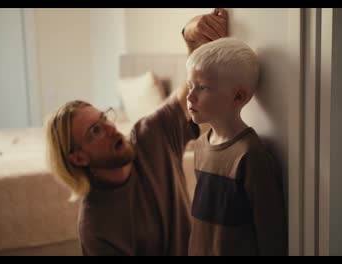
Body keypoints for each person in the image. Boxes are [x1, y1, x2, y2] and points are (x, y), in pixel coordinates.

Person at [45, 8, 228, 256]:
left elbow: (190, 89)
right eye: (95, 130)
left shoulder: (149, 135)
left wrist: (190, 34)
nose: (111, 127)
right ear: (78, 158)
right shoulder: (96, 226)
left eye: (105, 118)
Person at [185, 37, 287, 256]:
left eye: (202, 87)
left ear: (238, 97)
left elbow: (271, 236)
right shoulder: (201, 146)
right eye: (189, 86)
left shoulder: (251, 155)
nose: (190, 96)